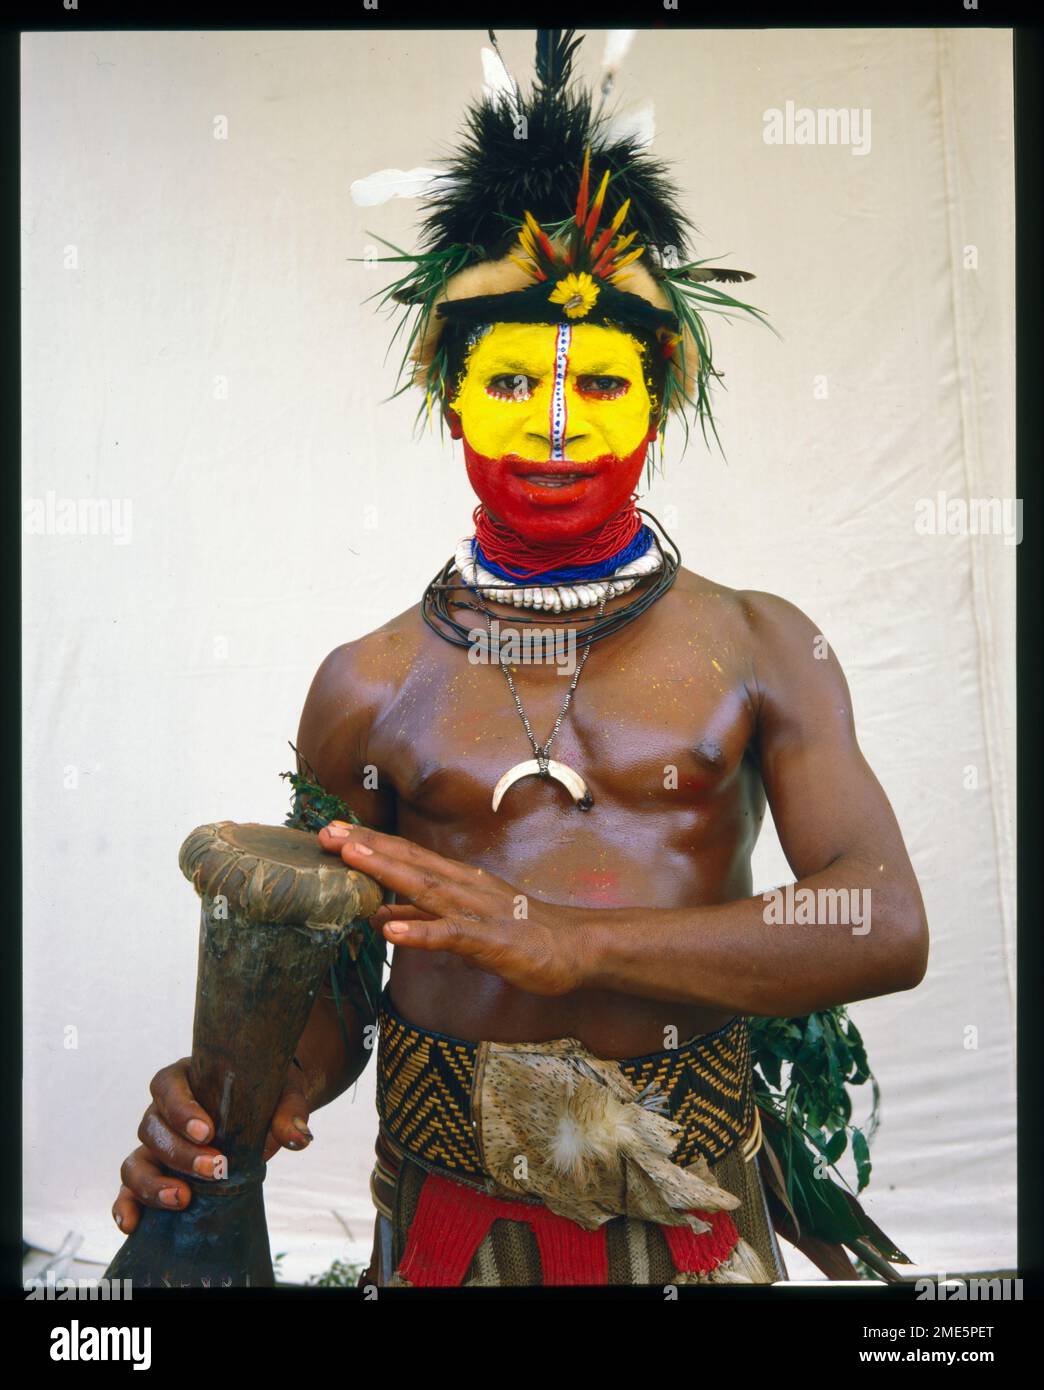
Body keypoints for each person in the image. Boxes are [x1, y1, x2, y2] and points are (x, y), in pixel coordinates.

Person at [111, 29, 928, 1287]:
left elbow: (878, 916)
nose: (554, 429)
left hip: (697, 1205)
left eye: (599, 385)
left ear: (659, 397)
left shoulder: (766, 642)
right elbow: (337, 968)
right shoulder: (369, 682)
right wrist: (234, 1092)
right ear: (450, 394)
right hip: (449, 1217)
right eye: (510, 385)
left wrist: (576, 942)